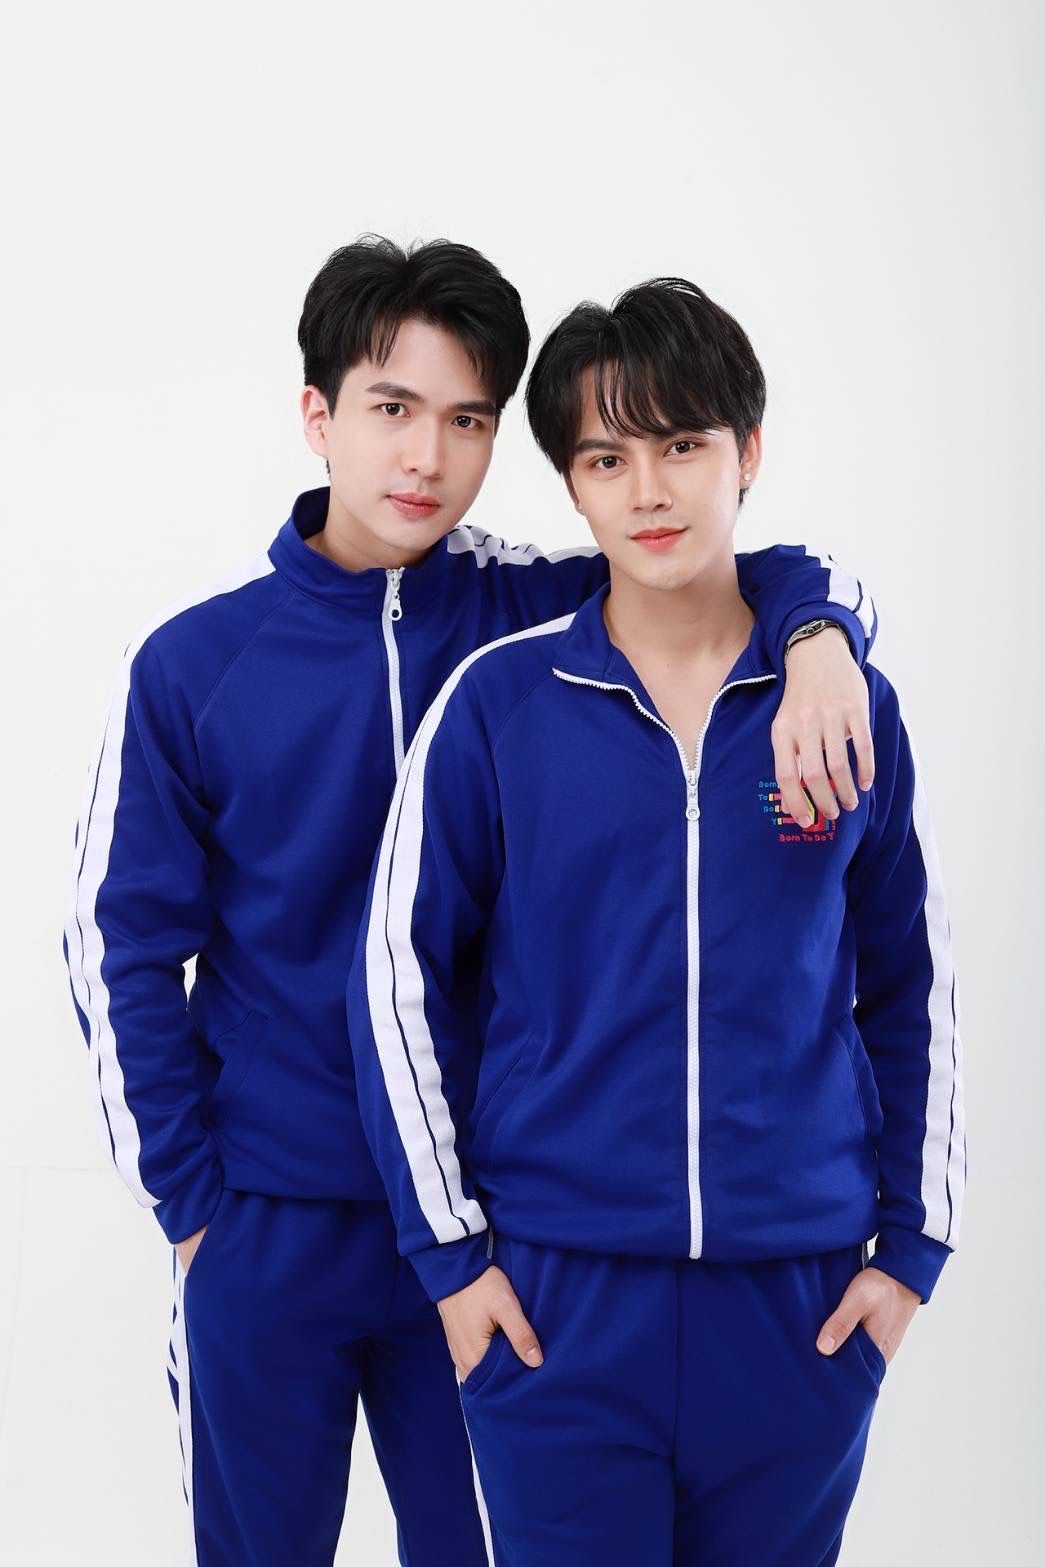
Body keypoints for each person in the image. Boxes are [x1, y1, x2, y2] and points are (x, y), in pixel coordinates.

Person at [64, 238, 881, 1567]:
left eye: (467, 421)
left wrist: (819, 639)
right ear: (319, 413)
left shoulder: (530, 611)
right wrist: (194, 1206)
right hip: (269, 1215)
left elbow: (741, 561)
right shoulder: (192, 662)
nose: (426, 458)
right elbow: (119, 948)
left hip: (490, 1223)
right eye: (392, 409)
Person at [347, 275, 965, 1565]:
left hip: (797, 1306)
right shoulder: (499, 706)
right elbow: (399, 986)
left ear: (749, 452)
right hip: (556, 1309)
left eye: (683, 444)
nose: (649, 491)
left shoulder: (842, 708)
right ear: (573, 489)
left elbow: (913, 983)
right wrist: (455, 1265)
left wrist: (912, 1252)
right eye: (606, 458)